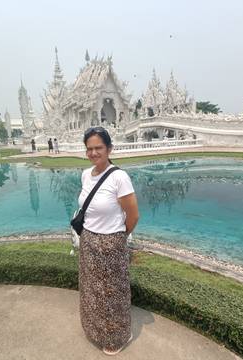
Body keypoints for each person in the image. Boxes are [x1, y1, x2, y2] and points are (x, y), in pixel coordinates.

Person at [77, 126, 139, 356]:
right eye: (89, 149)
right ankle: (95, 331)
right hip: (88, 241)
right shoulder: (86, 174)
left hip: (111, 244)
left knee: (113, 294)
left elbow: (133, 215)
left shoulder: (119, 177)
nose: (93, 153)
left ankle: (118, 337)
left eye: (98, 148)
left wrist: (118, 238)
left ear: (109, 149)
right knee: (92, 291)